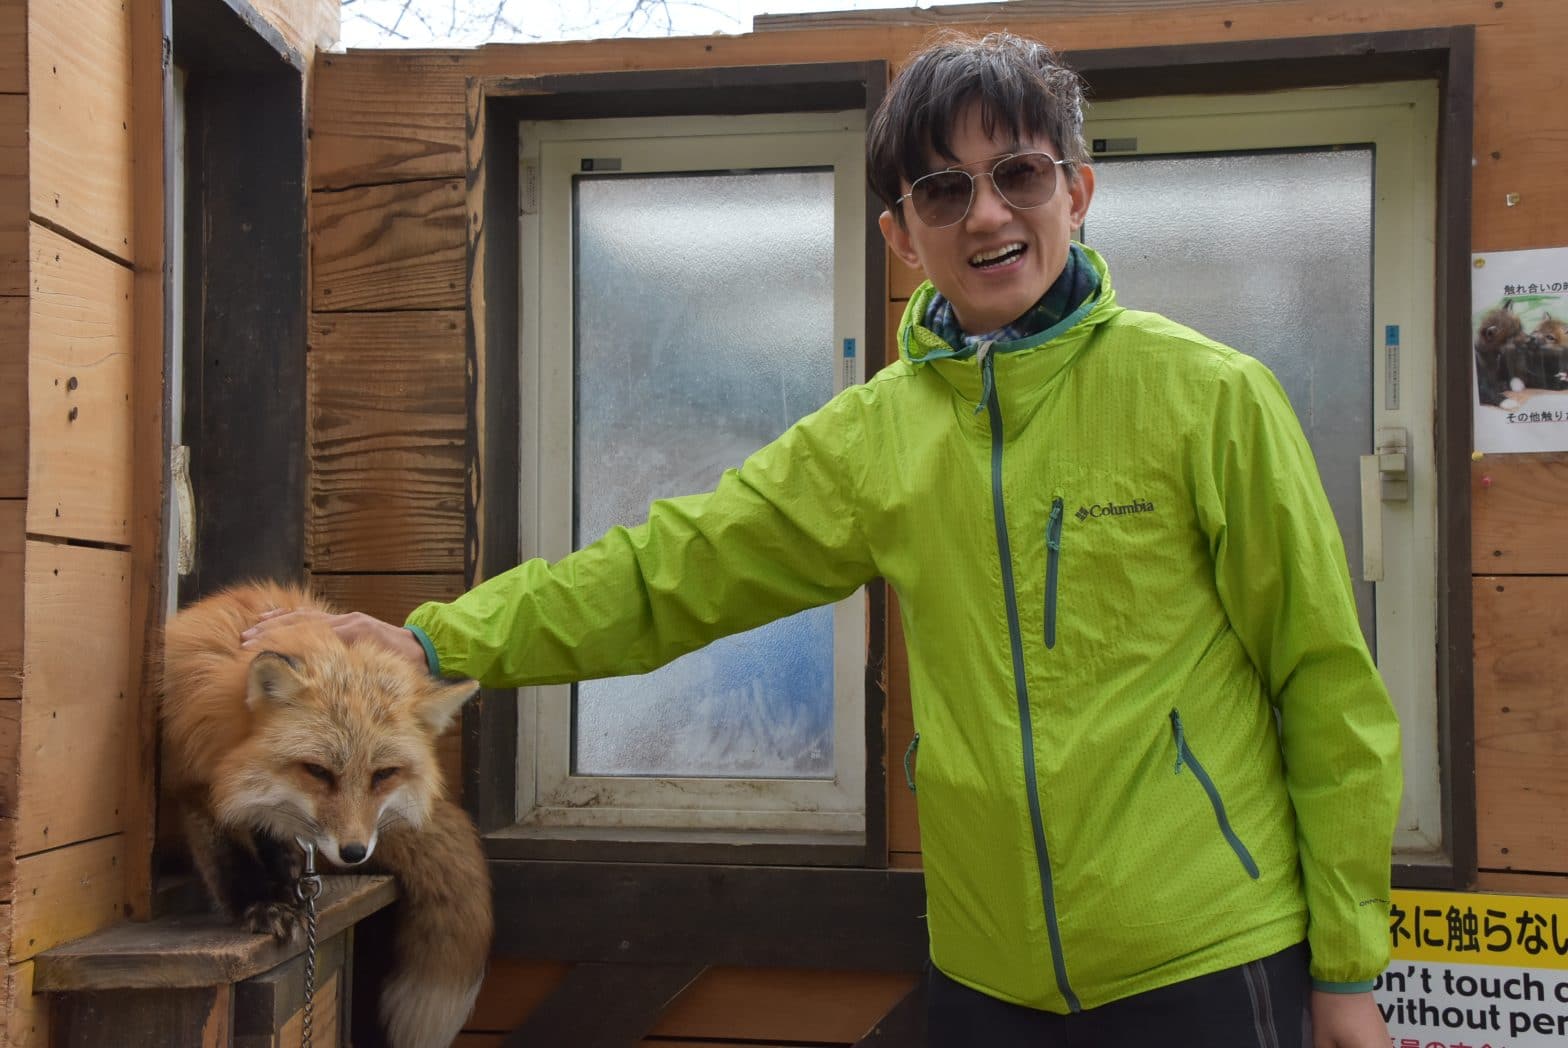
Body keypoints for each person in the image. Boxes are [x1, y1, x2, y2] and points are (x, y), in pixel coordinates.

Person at [245, 31, 1401, 1047]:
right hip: (986, 976)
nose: (986, 214)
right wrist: (436, 643)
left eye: (1018, 173)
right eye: (942, 190)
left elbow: (1324, 683)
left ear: (1077, 190)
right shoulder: (874, 436)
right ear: (901, 234)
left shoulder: (1209, 396)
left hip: (1206, 955)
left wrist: (1347, 969)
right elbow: (669, 572)